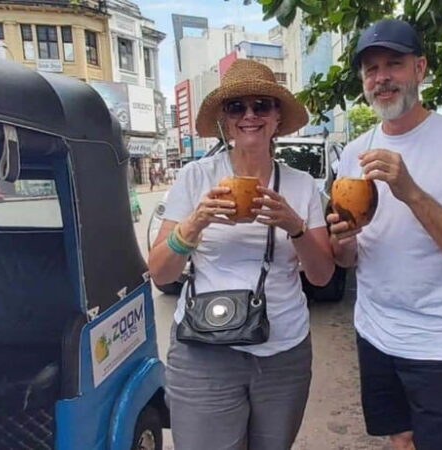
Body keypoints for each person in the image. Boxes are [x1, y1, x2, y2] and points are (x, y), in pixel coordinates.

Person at [327, 19, 442, 450]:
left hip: (440, 342)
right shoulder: (354, 152)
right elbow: (348, 259)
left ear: (419, 69)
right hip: (374, 331)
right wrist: (342, 242)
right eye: (371, 68)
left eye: (394, 64)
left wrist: (410, 192)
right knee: (400, 439)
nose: (381, 77)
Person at [148, 59, 335, 450]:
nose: (249, 115)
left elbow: (321, 276)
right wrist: (194, 223)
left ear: (277, 116)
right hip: (204, 351)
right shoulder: (195, 178)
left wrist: (294, 225)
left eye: (261, 105)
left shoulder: (300, 186)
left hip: (283, 352)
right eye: (237, 107)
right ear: (224, 119)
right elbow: (160, 272)